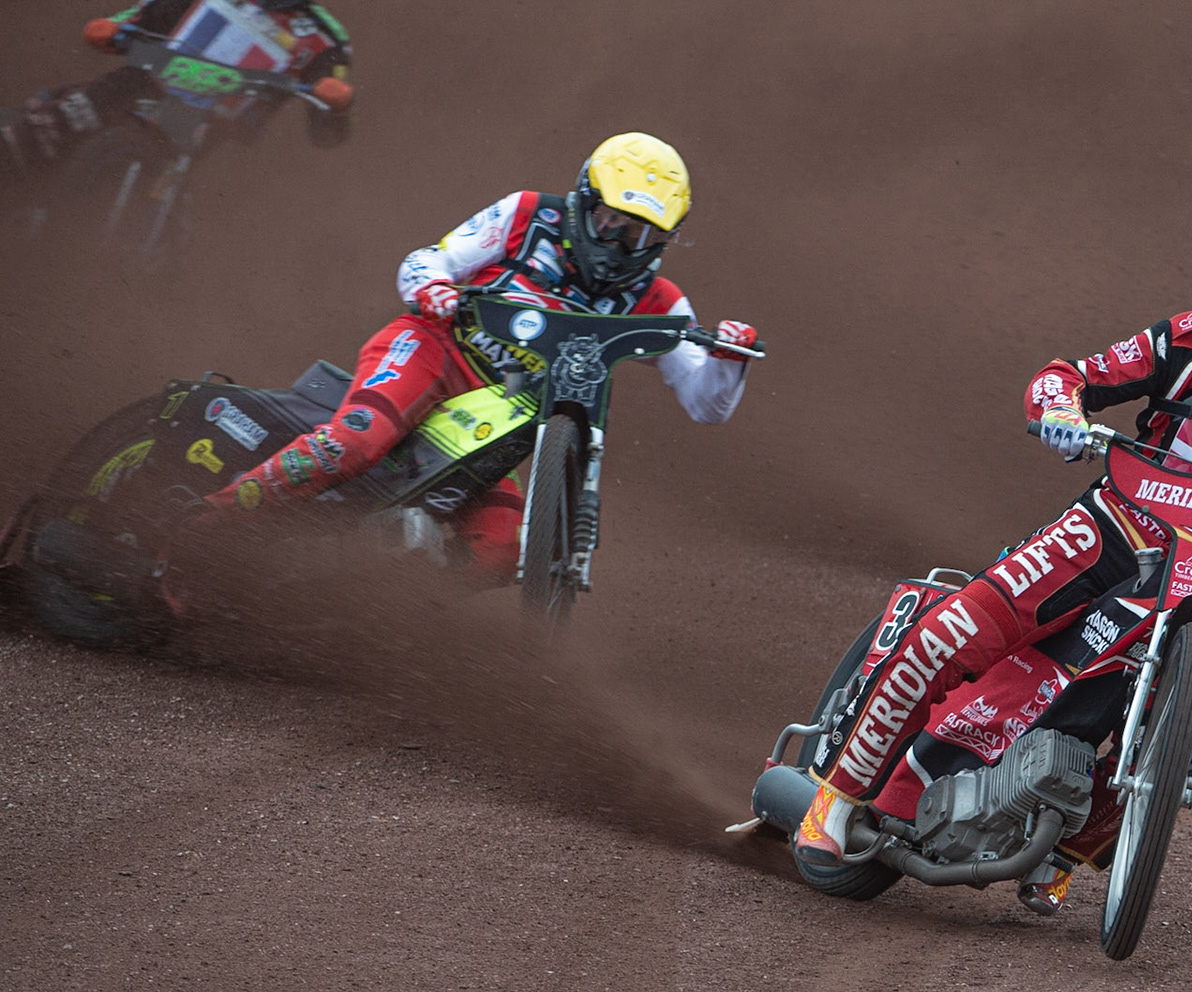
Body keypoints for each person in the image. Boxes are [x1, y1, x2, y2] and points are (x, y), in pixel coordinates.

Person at [795, 223, 1192, 912]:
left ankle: (1066, 850)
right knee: (953, 633)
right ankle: (833, 800)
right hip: (1109, 529)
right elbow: (1069, 376)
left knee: (1174, 726)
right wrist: (1061, 413)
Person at [197, 131, 760, 583]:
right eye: (611, 223)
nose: (619, 245)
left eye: (640, 236)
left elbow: (705, 404)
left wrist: (730, 358)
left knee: (502, 552)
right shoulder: (525, 215)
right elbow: (425, 261)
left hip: (491, 424)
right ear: (584, 201)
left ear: (663, 242)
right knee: (356, 441)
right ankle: (209, 519)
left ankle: (365, 598)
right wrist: (434, 288)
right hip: (435, 354)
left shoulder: (657, 300)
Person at [2, 2, 355, 178]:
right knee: (50, 124)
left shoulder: (325, 38)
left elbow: (327, 134)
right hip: (136, 87)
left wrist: (337, 104)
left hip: (207, 128)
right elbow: (130, 21)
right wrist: (113, 28)